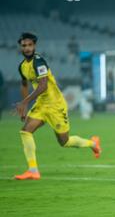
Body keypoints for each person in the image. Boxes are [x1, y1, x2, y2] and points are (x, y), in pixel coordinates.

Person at [14, 32, 101, 180]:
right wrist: (25, 107)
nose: (27, 48)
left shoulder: (39, 62)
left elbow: (43, 86)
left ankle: (93, 144)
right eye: (24, 46)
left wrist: (25, 101)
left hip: (56, 105)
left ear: (34, 46)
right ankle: (33, 170)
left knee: (64, 142)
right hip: (41, 104)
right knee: (26, 132)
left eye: (30, 45)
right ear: (21, 47)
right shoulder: (22, 66)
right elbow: (24, 85)